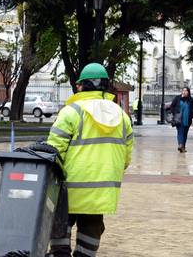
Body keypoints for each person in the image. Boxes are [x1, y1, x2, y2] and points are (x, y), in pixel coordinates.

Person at [46, 63, 134, 257]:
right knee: (92, 227)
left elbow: (54, 150)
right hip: (102, 189)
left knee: (60, 222)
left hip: (69, 186)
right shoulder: (121, 116)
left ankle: (60, 254)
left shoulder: (71, 112)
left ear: (80, 86)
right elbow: (126, 157)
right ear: (106, 86)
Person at [169, 87, 193, 153]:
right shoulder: (177, 98)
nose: (184, 92)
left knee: (185, 133)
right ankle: (180, 144)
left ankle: (183, 147)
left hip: (187, 120)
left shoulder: (191, 100)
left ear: (188, 92)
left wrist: (192, 115)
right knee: (180, 132)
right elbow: (172, 106)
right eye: (183, 90)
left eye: (186, 91)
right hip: (178, 119)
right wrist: (175, 113)